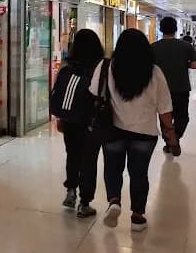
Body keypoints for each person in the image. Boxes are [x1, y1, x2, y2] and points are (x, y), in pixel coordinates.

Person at [90, 29, 179, 232]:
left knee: (113, 168)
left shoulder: (106, 67)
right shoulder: (155, 72)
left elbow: (94, 93)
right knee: (139, 173)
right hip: (144, 133)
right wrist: (171, 134)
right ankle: (137, 217)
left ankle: (114, 200)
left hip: (113, 129)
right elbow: (165, 109)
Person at [51, 29, 104, 218]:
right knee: (88, 160)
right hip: (91, 120)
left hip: (70, 119)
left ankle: (71, 191)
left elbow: (59, 92)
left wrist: (60, 118)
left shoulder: (66, 64)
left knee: (72, 155)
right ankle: (85, 203)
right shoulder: (101, 66)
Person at [151, 17, 196, 151]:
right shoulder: (186, 46)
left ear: (161, 29)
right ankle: (175, 137)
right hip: (181, 88)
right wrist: (183, 63)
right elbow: (194, 65)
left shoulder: (153, 47)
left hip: (160, 90)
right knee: (182, 117)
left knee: (165, 117)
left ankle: (170, 141)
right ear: (176, 29)